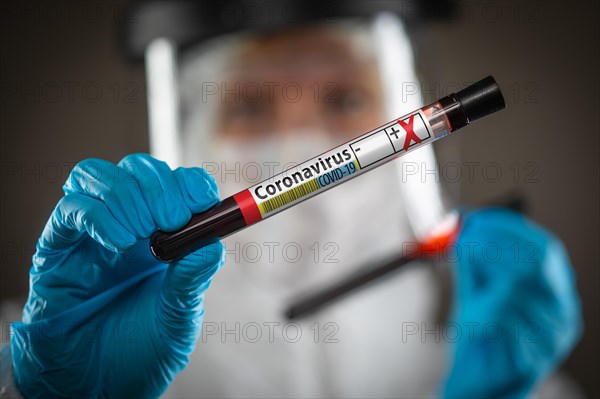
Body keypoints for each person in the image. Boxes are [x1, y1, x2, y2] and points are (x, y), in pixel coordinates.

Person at [2, 2, 582, 398]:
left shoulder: (505, 351)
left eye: (345, 97)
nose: (303, 141)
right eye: (250, 106)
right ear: (194, 130)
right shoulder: (50, 346)